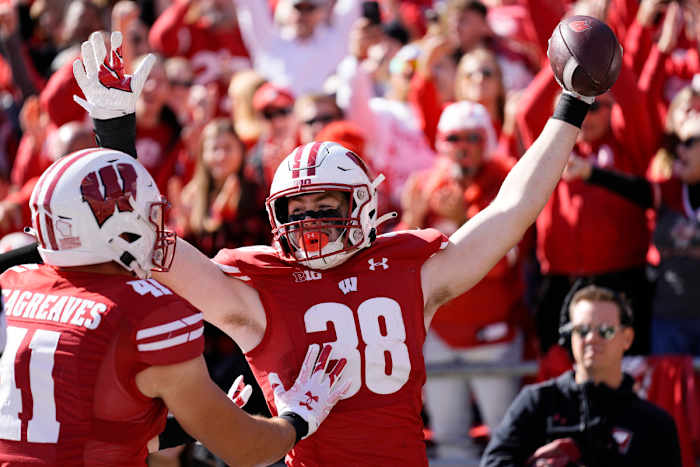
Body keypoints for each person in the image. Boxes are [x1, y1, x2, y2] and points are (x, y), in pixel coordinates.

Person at [67, 21, 606, 465]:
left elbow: (510, 211)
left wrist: (571, 106)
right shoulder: (258, 291)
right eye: (296, 210)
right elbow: (143, 242)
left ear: (363, 206)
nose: (311, 222)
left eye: (326, 206)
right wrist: (115, 136)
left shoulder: (409, 270)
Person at [0, 148, 350, 465]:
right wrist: (297, 417)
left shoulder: (11, 284)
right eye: (148, 215)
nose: (156, 227)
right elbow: (247, 450)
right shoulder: (149, 313)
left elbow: (83, 425)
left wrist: (195, 421)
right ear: (117, 227)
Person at [399, 101, 525, 460]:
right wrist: (412, 218)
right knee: (449, 437)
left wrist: (462, 219)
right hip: (439, 329)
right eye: (454, 138)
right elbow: (401, 264)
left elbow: (502, 261)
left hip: (491, 331)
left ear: (487, 140)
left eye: (472, 137)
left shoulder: (506, 180)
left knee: (504, 433)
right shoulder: (426, 184)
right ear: (441, 141)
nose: (463, 146)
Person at [481, 285, 682, 466]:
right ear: (569, 335)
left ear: (627, 338)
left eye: (606, 331)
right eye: (582, 330)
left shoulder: (655, 424)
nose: (592, 338)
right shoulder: (537, 403)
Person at [562, 110, 700, 355]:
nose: (679, 151)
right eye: (676, 143)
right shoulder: (671, 192)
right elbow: (635, 189)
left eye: (689, 142)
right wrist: (590, 172)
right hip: (670, 321)